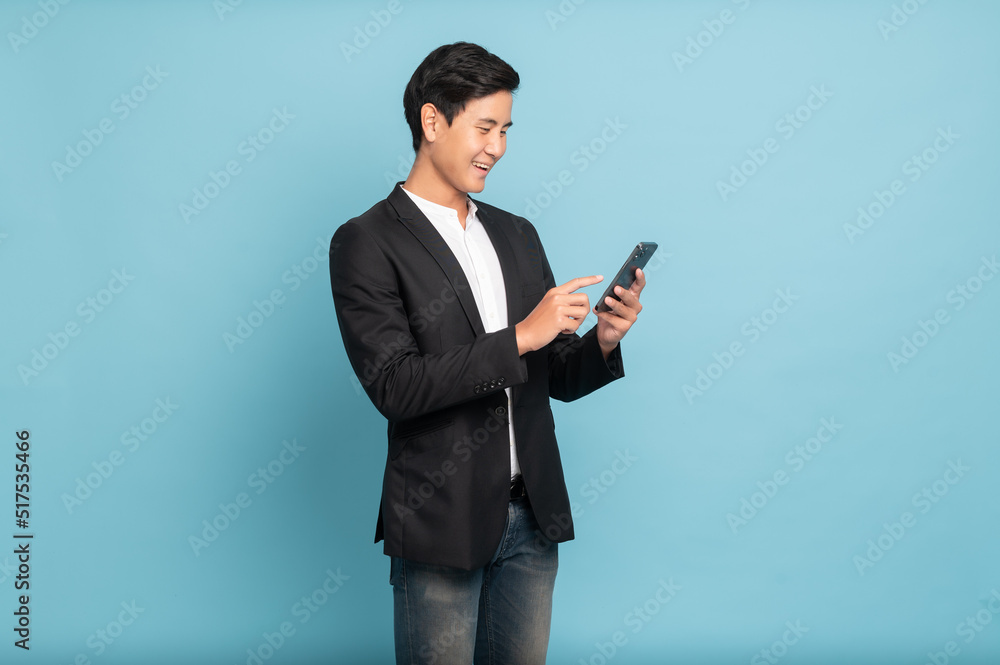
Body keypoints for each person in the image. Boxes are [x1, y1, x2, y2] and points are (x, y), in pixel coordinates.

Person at [329, 41, 645, 665]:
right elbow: (395, 387)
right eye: (484, 127)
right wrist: (522, 335)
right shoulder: (365, 241)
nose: (497, 147)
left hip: (532, 520)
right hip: (440, 521)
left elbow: (551, 375)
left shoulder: (516, 232)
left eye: (506, 129)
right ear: (432, 121)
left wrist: (603, 342)